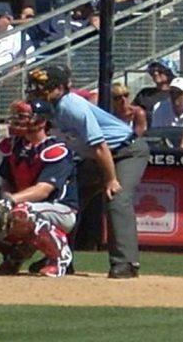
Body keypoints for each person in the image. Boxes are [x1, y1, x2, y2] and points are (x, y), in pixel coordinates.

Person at [26, 65, 148, 279]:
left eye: (46, 87)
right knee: (68, 202)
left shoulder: (71, 106)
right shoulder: (47, 107)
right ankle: (60, 257)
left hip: (125, 151)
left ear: (62, 88)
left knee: (116, 198)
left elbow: (100, 145)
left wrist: (110, 179)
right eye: (37, 87)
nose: (39, 91)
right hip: (95, 157)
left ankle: (126, 263)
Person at [0, 98, 77, 277]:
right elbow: (6, 183)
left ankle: (59, 257)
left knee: (23, 211)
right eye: (18, 116)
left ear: (42, 121)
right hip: (19, 205)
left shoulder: (56, 149)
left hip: (60, 209)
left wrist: (10, 201)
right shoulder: (15, 147)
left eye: (25, 117)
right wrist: (6, 200)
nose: (19, 120)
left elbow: (44, 190)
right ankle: (15, 253)